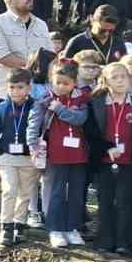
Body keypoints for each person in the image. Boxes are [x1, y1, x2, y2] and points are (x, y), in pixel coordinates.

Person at [0, 0, 51, 216]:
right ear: (10, 0)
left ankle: (32, 200)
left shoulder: (41, 24)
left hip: (34, 96)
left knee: (32, 144)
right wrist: (31, 65)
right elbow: (2, 56)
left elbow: (49, 56)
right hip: (4, 93)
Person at [88, 62, 132, 255]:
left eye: (123, 76)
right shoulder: (96, 103)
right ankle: (105, 241)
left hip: (128, 162)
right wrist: (106, 148)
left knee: (125, 202)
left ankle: (125, 242)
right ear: (106, 81)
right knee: (106, 201)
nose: (120, 81)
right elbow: (91, 134)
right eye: (114, 77)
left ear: (130, 79)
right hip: (104, 162)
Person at [29, 62, 90, 248]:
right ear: (51, 80)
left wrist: (61, 109)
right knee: (55, 191)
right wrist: (32, 144)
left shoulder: (82, 99)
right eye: (58, 82)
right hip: (55, 153)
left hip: (78, 153)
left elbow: (80, 119)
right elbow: (34, 121)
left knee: (76, 192)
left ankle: (72, 228)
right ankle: (55, 228)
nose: (62, 87)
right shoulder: (45, 99)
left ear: (74, 83)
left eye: (66, 83)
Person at [0, 69, 39, 247]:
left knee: (25, 193)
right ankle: (6, 227)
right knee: (9, 190)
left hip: (28, 158)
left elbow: (41, 131)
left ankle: (19, 225)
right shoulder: (1, 108)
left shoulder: (36, 107)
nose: (16, 91)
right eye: (12, 87)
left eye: (20, 87)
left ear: (29, 88)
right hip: (7, 157)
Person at [63, 5, 132, 64]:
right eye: (102, 30)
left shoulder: (118, 43)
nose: (106, 34)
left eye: (110, 31)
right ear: (92, 20)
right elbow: (64, 67)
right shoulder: (77, 42)